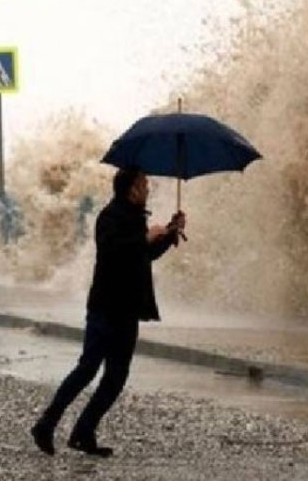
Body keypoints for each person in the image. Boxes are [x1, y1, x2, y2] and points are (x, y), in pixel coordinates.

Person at [30, 166, 186, 457]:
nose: (148, 189)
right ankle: (46, 424)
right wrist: (146, 238)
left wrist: (168, 233)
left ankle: (83, 432)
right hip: (105, 308)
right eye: (144, 184)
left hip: (127, 310)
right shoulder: (109, 216)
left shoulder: (137, 218)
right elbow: (113, 251)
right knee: (87, 369)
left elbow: (143, 256)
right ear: (132, 189)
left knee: (116, 377)